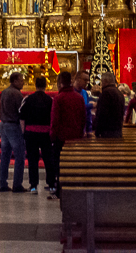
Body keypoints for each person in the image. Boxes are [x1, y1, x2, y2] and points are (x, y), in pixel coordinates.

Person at [48, 71, 86, 200]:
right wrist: (80, 133)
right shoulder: (79, 98)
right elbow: (83, 118)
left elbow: (55, 120)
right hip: (76, 137)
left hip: (61, 138)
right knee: (74, 164)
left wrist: (53, 137)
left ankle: (60, 191)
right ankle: (74, 188)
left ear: (60, 83)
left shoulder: (58, 98)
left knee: (60, 165)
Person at [20, 75, 54, 194]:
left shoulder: (28, 99)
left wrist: (23, 132)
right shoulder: (50, 100)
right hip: (46, 133)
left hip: (31, 132)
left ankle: (33, 186)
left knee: (33, 159)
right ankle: (51, 184)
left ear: (35, 85)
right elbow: (53, 117)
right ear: (45, 86)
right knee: (48, 159)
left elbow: (22, 117)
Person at [0, 71, 27, 192]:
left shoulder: (5, 91)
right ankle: (17, 184)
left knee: (5, 155)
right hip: (13, 125)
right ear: (14, 81)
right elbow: (21, 112)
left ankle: (3, 183)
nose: (23, 82)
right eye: (21, 80)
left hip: (3, 124)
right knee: (19, 155)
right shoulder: (17, 94)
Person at [93, 72, 125, 138]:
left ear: (105, 81)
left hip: (107, 132)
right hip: (118, 131)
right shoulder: (120, 93)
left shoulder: (105, 93)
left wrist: (97, 132)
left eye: (101, 81)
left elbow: (101, 114)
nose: (101, 84)